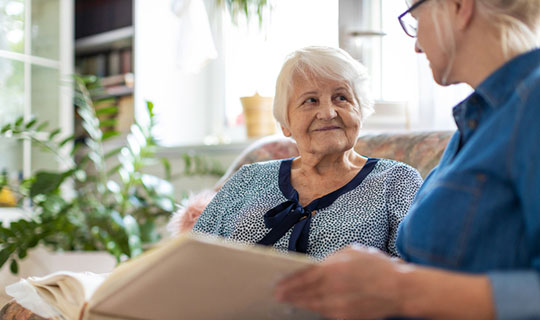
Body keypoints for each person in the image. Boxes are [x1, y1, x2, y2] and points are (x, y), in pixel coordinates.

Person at [275, 0, 540, 319]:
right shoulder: (474, 125)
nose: (416, 45)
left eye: (415, 20)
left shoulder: (532, 105)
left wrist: (400, 288)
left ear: (458, 7)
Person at [193, 46, 423, 260]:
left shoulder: (395, 181)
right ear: (286, 123)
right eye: (310, 101)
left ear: (360, 112)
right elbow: (192, 257)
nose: (328, 112)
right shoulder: (248, 178)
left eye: (341, 97)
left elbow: (416, 274)